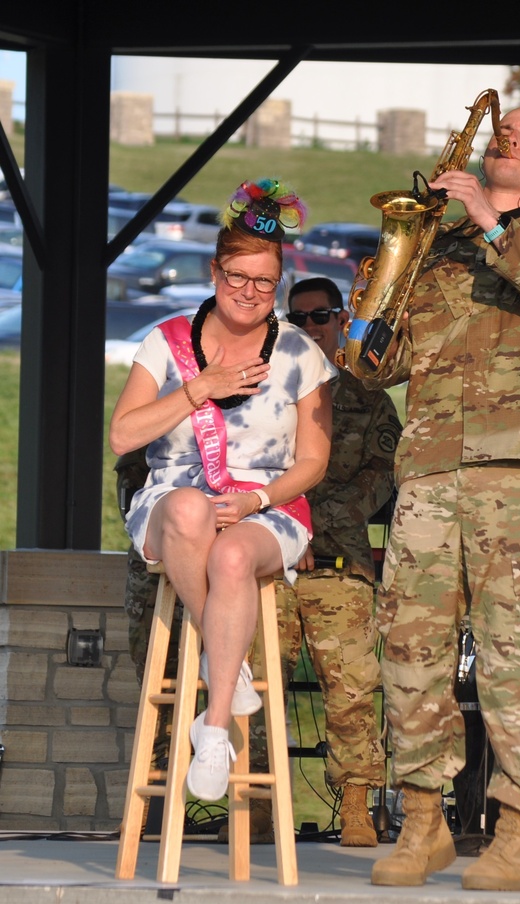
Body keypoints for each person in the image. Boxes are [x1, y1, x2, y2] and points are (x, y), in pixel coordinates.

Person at [367, 104, 520, 891]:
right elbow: (375, 366)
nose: (509, 141)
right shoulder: (437, 248)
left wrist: (488, 219)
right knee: (410, 648)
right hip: (431, 468)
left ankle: (518, 835)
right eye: (506, 134)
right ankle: (423, 823)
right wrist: (383, 277)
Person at [109, 178, 335, 803]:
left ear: (279, 284)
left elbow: (315, 459)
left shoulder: (299, 353)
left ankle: (214, 732)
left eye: (264, 282)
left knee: (234, 555)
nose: (249, 292)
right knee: (186, 508)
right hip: (175, 500)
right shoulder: (167, 340)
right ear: (215, 271)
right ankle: (224, 656)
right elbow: (123, 435)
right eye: (238, 277)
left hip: (267, 505)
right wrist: (198, 388)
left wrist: (257, 501)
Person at [272, 276, 401, 847]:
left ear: (341, 319)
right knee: (254, 681)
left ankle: (355, 805)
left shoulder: (366, 394)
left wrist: (327, 516)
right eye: (298, 319)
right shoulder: (262, 387)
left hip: (337, 561)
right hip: (268, 559)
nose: (310, 328)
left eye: (320, 316)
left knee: (351, 691)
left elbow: (390, 471)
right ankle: (254, 799)